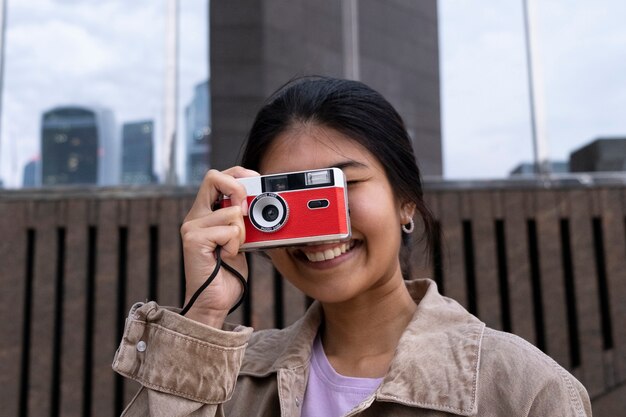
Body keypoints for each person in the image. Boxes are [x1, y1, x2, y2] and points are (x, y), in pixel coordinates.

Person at [113, 76, 592, 416]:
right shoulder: (227, 381)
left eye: (342, 188)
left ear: (406, 201)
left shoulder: (524, 391)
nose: (322, 230)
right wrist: (204, 316)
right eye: (286, 200)